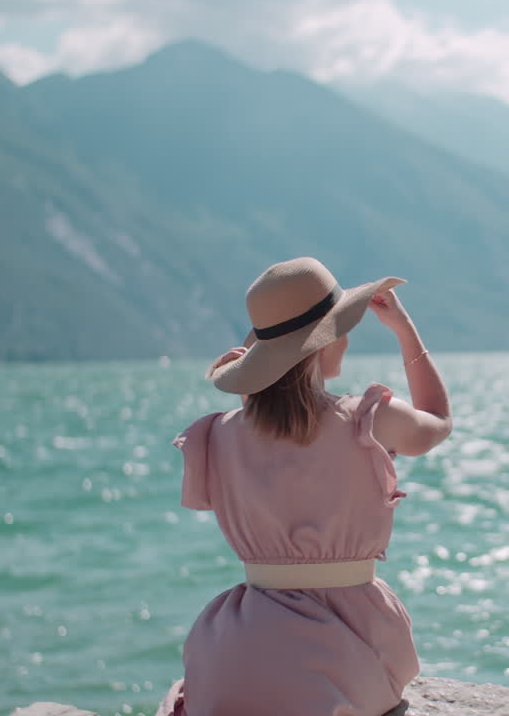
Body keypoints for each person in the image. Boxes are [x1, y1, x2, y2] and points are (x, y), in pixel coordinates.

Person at [155, 257, 452, 716]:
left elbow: (277, 451)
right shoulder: (367, 419)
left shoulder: (216, 434)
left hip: (235, 656)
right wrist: (404, 330)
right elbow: (438, 422)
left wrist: (253, 387)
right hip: (350, 644)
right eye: (341, 328)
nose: (348, 339)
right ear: (320, 344)